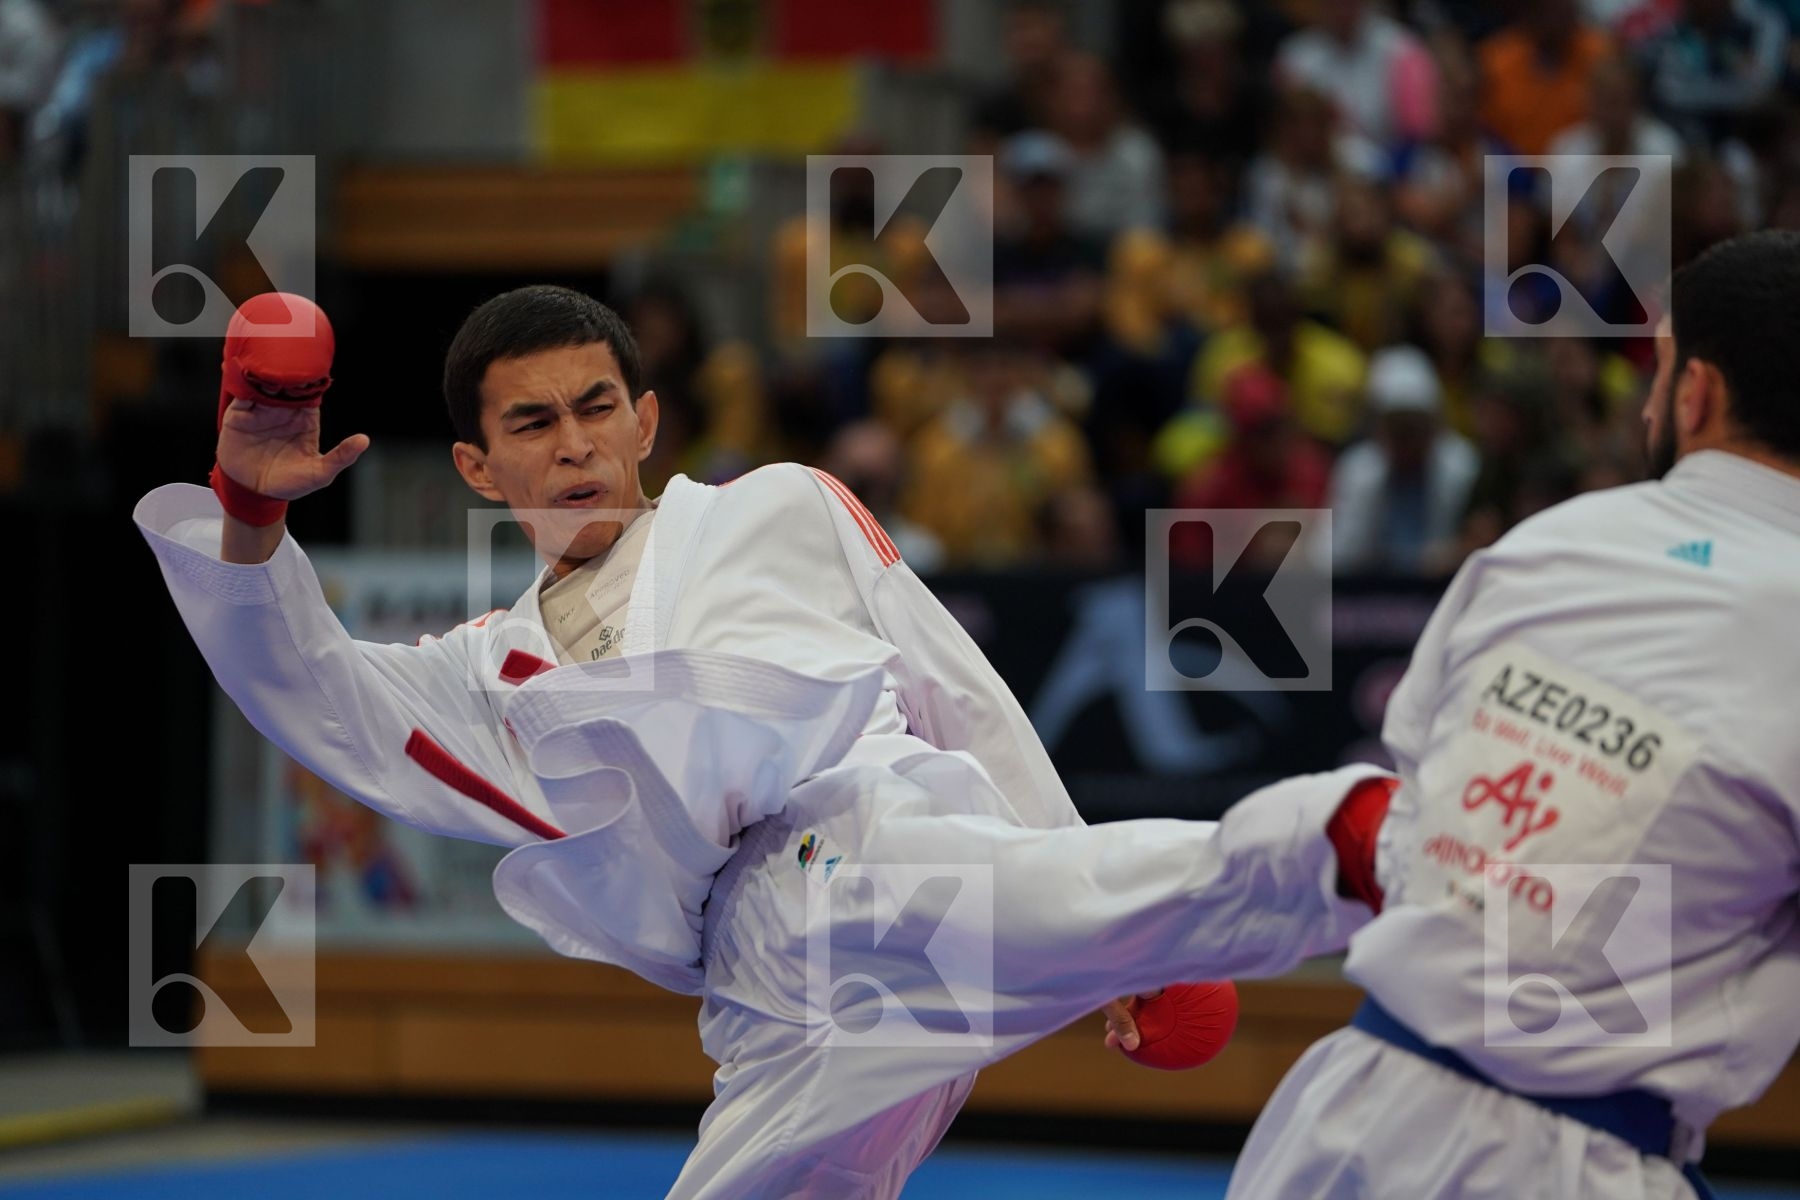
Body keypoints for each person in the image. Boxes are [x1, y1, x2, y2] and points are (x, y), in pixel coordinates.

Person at [135, 285, 1396, 1200]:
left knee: (979, 880)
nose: (573, 444)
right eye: (531, 424)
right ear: (476, 464)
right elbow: (308, 689)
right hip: (754, 990)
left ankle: (1347, 840)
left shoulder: (781, 506)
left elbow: (960, 691)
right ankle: (1234, 886)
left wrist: (1124, 948)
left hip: (859, 833)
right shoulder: (484, 675)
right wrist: (248, 507)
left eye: (595, 408)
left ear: (646, 420)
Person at [1227, 229, 1800, 1198]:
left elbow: (1409, 821)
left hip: (1347, 1121)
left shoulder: (1541, 546)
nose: (1649, 405)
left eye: (1658, 375)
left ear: (1694, 394)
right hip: (1598, 1159)